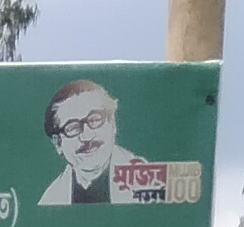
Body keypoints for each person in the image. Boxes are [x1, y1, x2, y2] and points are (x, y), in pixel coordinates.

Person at [38, 78, 191, 206]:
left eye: (95, 119)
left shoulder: (152, 187)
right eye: (72, 128)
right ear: (58, 143)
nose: (86, 136)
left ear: (112, 123)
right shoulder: (50, 201)